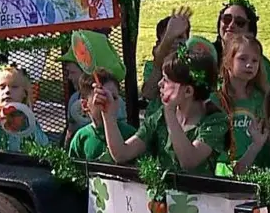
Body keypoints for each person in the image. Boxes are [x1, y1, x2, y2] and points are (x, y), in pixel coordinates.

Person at [95, 37, 228, 175]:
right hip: (163, 196)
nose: (160, 84)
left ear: (188, 91)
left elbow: (188, 161)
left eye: (166, 80)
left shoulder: (214, 121)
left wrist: (169, 111)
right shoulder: (159, 117)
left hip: (202, 196)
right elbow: (122, 153)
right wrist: (108, 114)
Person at [214, 35, 270, 175]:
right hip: (221, 168)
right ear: (228, 62)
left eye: (254, 60)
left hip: (253, 167)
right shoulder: (216, 98)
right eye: (242, 59)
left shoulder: (259, 98)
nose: (249, 65)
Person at [0, 64, 50, 151]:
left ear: (24, 93)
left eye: (14, 87)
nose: (7, 91)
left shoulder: (28, 120)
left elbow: (44, 145)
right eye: (2, 87)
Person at [68, 69, 137, 162]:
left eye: (114, 98)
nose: (110, 103)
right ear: (85, 105)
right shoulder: (81, 138)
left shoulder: (131, 135)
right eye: (102, 98)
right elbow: (72, 171)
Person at [212, 0, 270, 84]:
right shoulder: (208, 54)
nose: (231, 25)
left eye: (239, 22)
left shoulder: (261, 63)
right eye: (227, 19)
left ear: (250, 30)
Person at [141, 9, 192, 115]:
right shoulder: (152, 66)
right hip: (157, 119)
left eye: (179, 37)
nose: (174, 41)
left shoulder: (192, 64)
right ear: (159, 43)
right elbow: (148, 93)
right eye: (168, 37)